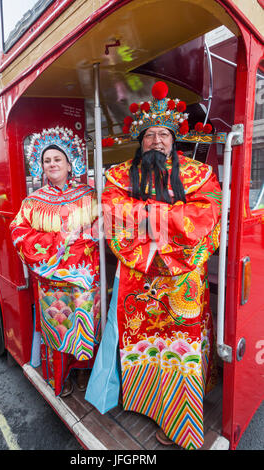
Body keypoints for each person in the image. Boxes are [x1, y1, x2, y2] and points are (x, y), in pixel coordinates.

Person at [86, 82, 224, 449]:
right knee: (144, 344)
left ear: (174, 139)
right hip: (139, 281)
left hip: (182, 283)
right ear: (140, 140)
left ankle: (180, 421)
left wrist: (150, 216)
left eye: (165, 134)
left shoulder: (198, 174)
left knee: (180, 350)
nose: (158, 141)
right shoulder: (119, 175)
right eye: (151, 135)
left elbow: (208, 213)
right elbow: (112, 211)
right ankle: (148, 405)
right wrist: (165, 217)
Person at [10, 127, 100, 397]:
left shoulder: (88, 195)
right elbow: (18, 233)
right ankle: (61, 375)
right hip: (51, 284)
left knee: (85, 327)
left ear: (70, 164)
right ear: (41, 167)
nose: (52, 164)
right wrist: (61, 239)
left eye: (57, 159)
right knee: (58, 330)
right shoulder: (32, 202)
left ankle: (83, 370)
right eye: (47, 161)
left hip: (84, 280)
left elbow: (99, 230)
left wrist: (81, 243)